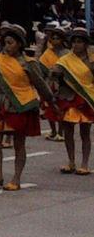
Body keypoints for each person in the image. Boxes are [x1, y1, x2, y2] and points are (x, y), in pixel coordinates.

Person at [0, 23, 54, 191]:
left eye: (11, 43)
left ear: (20, 44)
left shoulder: (29, 63)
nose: (7, 46)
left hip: (20, 104)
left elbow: (40, 84)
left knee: (18, 143)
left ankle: (16, 178)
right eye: (5, 43)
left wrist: (50, 101)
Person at [49, 27, 94, 175]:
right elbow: (54, 73)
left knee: (85, 132)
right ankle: (71, 161)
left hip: (86, 98)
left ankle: (85, 164)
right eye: (74, 42)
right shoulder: (65, 60)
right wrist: (54, 74)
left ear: (85, 43)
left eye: (79, 41)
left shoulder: (92, 60)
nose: (76, 45)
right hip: (68, 97)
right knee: (68, 131)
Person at [37, 22, 68, 142]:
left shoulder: (67, 53)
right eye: (53, 38)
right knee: (49, 108)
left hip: (63, 84)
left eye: (57, 38)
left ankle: (60, 132)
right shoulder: (47, 53)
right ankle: (53, 131)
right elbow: (41, 67)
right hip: (49, 83)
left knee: (61, 107)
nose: (55, 40)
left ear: (62, 39)